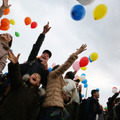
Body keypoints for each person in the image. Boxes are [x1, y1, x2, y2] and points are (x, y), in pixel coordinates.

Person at [38, 44, 87, 120]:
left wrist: (67, 99)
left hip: (58, 110)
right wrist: (77, 53)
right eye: (60, 69)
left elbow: (62, 96)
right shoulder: (53, 74)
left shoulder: (61, 81)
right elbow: (66, 65)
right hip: (50, 109)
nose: (62, 70)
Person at [0, 50, 45, 120]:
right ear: (29, 77)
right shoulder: (19, 84)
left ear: (38, 83)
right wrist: (14, 65)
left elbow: (33, 113)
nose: (36, 76)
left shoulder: (36, 96)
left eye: (38, 77)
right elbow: (16, 75)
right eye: (34, 75)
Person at [20, 22, 51, 88]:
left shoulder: (45, 69)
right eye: (44, 54)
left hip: (31, 92)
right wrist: (43, 33)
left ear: (48, 59)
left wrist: (45, 70)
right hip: (21, 84)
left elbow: (45, 82)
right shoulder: (33, 59)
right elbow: (36, 47)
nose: (45, 55)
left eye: (47, 56)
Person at [0, 0, 12, 74]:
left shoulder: (5, 52)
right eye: (6, 33)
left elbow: (1, 64)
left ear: (9, 42)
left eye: (10, 37)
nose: (7, 34)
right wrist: (2, 8)